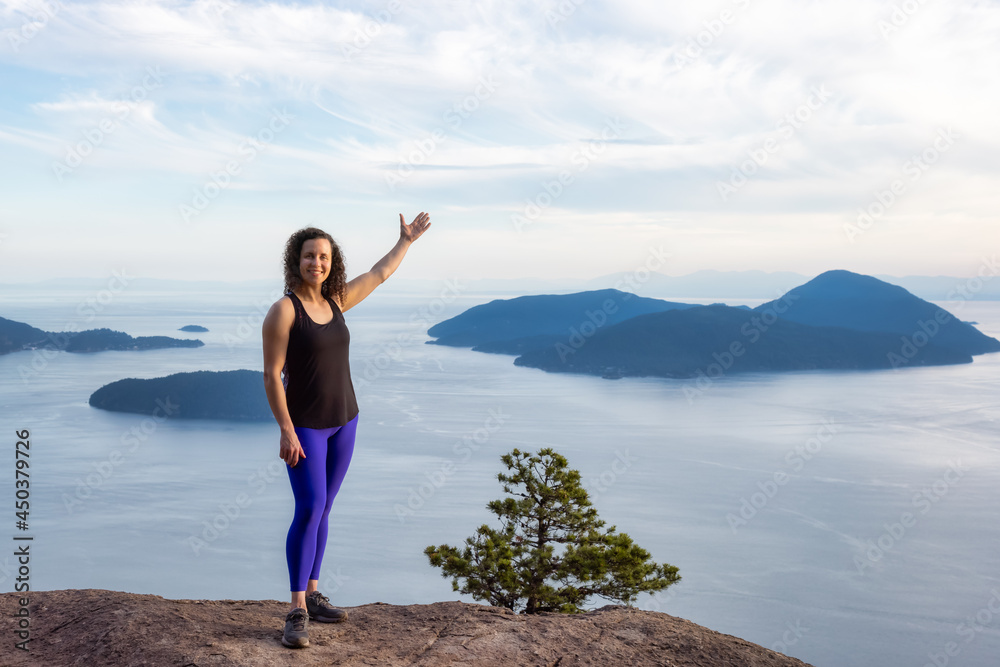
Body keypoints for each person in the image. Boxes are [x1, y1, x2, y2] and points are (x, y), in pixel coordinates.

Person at [261, 212, 431, 649]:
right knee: (309, 507)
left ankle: (314, 595)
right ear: (294, 260)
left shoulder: (336, 300)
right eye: (308, 255)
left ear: (330, 262)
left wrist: (406, 241)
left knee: (326, 507)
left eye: (323, 256)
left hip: (345, 421)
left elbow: (379, 273)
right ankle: (296, 609)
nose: (316, 262)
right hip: (307, 428)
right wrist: (286, 429)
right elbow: (271, 375)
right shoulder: (284, 311)